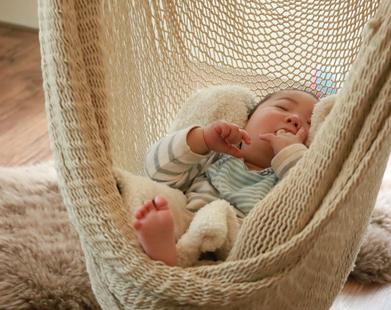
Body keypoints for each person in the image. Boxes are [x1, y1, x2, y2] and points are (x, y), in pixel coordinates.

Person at [132, 89, 319, 266]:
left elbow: (307, 200)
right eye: (282, 107)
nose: (295, 119)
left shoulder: (289, 177)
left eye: (309, 123)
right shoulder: (214, 156)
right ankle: (167, 249)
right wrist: (202, 139)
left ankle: (171, 257)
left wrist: (291, 153)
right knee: (151, 197)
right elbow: (156, 171)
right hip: (190, 224)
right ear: (247, 120)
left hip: (246, 250)